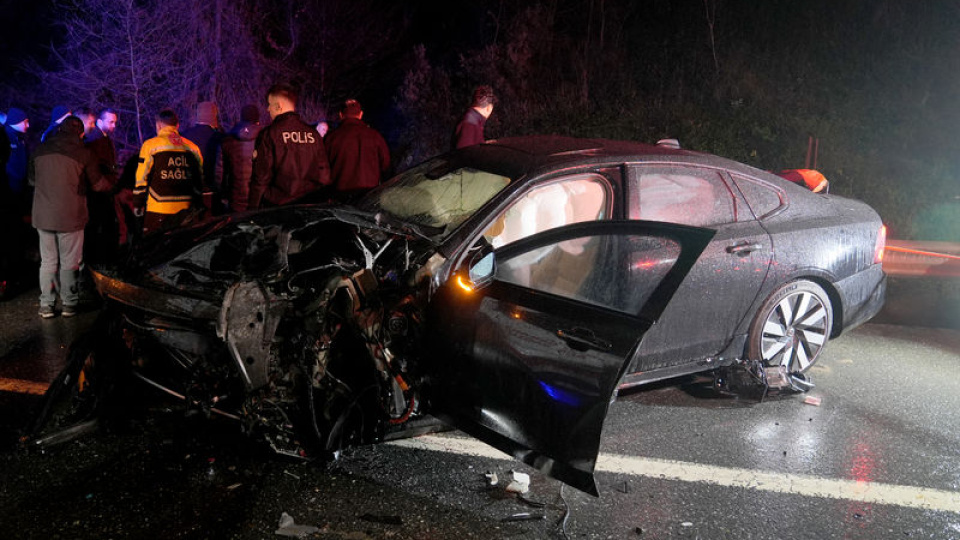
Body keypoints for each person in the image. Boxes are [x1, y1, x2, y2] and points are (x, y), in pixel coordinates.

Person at [29, 116, 108, 317]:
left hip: (43, 215)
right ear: (80, 133)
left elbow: (31, 180)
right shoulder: (84, 154)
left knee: (47, 262)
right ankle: (69, 304)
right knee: (69, 262)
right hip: (71, 216)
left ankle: (46, 305)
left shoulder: (40, 150)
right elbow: (99, 185)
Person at [249, 83, 331, 209]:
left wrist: (252, 210)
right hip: (309, 207)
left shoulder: (269, 134)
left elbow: (261, 178)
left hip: (278, 208)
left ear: (278, 106)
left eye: (269, 105)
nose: (267, 109)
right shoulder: (313, 134)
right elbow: (324, 175)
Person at [133, 109, 205, 234]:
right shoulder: (193, 148)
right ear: (177, 126)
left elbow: (141, 177)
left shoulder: (150, 145)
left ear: (158, 125)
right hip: (186, 210)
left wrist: (138, 202)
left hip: (158, 208)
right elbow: (199, 179)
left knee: (155, 249)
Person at [324, 99, 390, 199]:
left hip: (339, 198)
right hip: (368, 196)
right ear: (360, 114)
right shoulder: (375, 136)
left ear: (341, 115)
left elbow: (322, 169)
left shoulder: (331, 138)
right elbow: (386, 165)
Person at [84, 108, 121, 265]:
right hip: (99, 191)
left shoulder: (104, 139)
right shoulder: (94, 140)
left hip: (105, 189)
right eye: (110, 122)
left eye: (115, 122)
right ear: (100, 121)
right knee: (99, 225)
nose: (114, 125)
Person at [181, 101, 224, 213]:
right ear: (214, 116)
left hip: (189, 189)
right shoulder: (219, 137)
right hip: (212, 190)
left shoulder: (185, 135)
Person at [220, 104, 261, 213]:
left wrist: (222, 195)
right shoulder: (266, 137)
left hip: (235, 198)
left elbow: (219, 173)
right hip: (259, 199)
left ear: (241, 118)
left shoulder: (228, 139)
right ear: (257, 120)